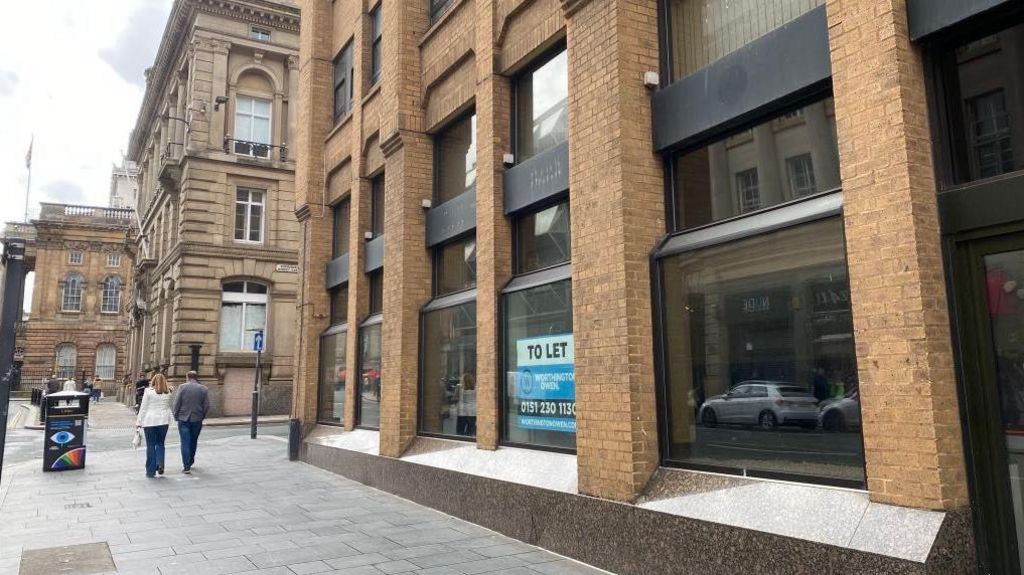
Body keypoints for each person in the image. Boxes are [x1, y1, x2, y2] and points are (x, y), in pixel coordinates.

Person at [136, 373, 174, 478]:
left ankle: (150, 471)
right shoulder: (169, 392)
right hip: (164, 421)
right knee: (160, 443)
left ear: (153, 381)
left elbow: (143, 408)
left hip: (150, 421)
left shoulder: (148, 392)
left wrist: (139, 422)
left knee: (151, 445)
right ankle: (160, 463)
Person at [172, 370, 209, 474]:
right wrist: (202, 416)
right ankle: (191, 460)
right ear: (196, 377)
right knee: (193, 441)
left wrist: (176, 415)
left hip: (183, 418)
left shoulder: (182, 387)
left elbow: (176, 403)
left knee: (185, 442)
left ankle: (186, 465)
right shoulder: (203, 389)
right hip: (197, 419)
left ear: (187, 377)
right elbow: (207, 405)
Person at [456, 372, 477, 437]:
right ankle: (469, 439)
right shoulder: (476, 390)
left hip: (462, 411)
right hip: (473, 411)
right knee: (471, 428)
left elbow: (455, 397)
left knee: (460, 429)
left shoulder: (460, 389)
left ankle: (461, 439)